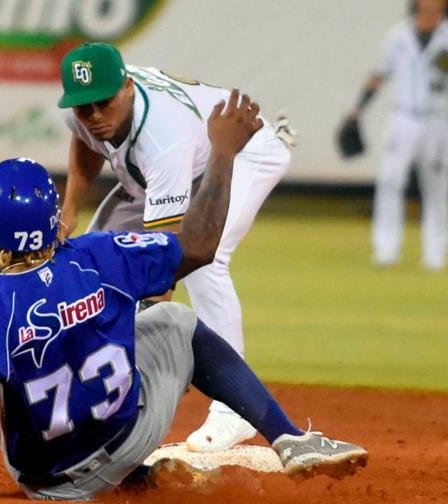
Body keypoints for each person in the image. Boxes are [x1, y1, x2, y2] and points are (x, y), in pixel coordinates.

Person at [0, 90, 367, 501]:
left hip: (48, 483)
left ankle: (124, 472)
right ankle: (290, 438)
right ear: (54, 216)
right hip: (129, 438)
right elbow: (199, 247)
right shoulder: (104, 255)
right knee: (171, 324)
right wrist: (222, 153)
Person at [58, 41, 295, 452]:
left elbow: (163, 262)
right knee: (91, 261)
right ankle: (86, 383)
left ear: (127, 87)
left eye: (103, 103)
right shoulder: (85, 106)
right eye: (83, 107)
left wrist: (150, 344)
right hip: (165, 173)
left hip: (240, 152)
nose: (94, 115)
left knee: (206, 259)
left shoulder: (162, 138)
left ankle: (232, 410)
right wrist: (70, 211)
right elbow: (85, 141)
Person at [349, 0, 448, 271]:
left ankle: (436, 255)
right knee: (389, 181)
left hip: (437, 120)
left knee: (437, 187)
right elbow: (379, 74)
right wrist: (358, 109)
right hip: (404, 117)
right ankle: (386, 250)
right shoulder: (398, 36)